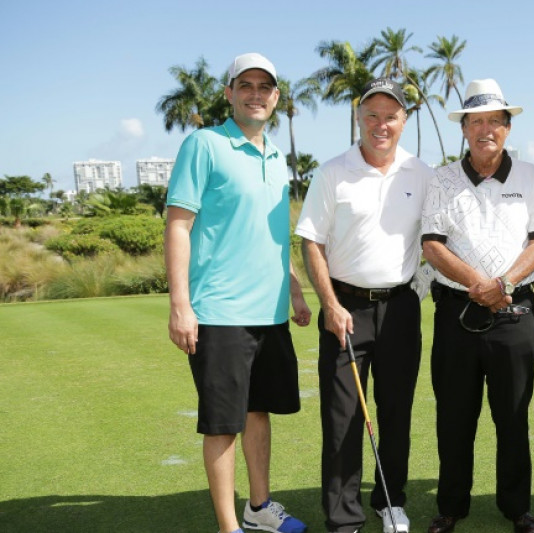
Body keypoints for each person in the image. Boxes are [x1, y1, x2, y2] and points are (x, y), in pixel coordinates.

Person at [165, 52, 310, 533]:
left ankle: (259, 509)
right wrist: (181, 305)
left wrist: (293, 289)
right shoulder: (204, 145)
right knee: (223, 423)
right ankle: (230, 527)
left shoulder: (275, 155)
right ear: (228, 93)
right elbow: (179, 226)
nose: (255, 93)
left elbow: (268, 234)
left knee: (258, 412)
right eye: (244, 85)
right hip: (219, 313)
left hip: (268, 314)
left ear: (275, 97)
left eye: (264, 87)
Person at [295, 78, 432, 533]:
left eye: (390, 116)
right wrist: (329, 303)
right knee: (343, 418)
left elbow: (432, 240)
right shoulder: (333, 171)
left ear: (404, 121)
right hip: (345, 308)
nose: (381, 124)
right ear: (359, 118)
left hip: (400, 308)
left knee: (396, 412)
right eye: (371, 115)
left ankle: (390, 501)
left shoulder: (421, 172)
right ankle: (342, 516)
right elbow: (311, 241)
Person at [421, 79, 534, 533]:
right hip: (457, 314)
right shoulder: (442, 179)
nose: (485, 129)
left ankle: (517, 507)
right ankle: (451, 506)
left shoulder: (532, 176)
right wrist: (480, 284)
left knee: (512, 417)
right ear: (464, 129)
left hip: (514, 315)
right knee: (454, 417)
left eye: (494, 120)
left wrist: (505, 283)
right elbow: (432, 245)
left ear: (508, 127)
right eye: (476, 121)